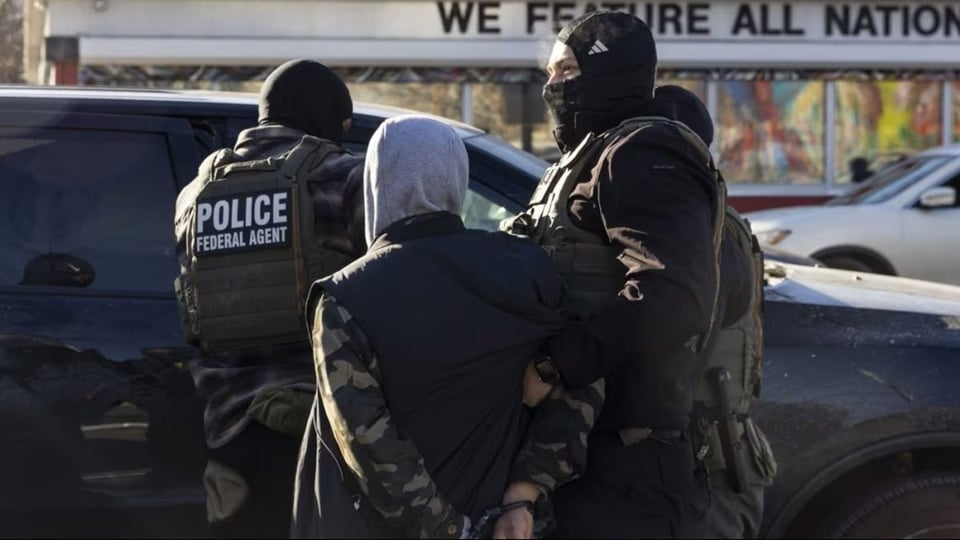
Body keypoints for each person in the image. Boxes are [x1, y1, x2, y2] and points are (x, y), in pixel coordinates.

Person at [292, 115, 605, 539]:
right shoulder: (529, 269)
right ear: (457, 178)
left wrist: (449, 529)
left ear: (376, 185)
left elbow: (368, 445)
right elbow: (579, 380)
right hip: (514, 526)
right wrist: (524, 494)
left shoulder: (345, 297)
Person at [501, 11, 724, 538]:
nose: (553, 85)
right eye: (551, 72)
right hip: (581, 457)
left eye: (568, 70)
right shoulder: (591, 155)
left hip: (629, 468)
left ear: (609, 71)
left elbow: (671, 294)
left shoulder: (641, 150)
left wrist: (556, 365)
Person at [175, 59, 365, 538]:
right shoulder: (344, 175)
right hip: (319, 431)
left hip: (226, 432)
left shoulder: (194, 194)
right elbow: (386, 284)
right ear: (324, 117)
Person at [652, 85, 778, 539]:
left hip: (709, 471)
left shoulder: (706, 232)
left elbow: (677, 340)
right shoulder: (708, 220)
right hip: (704, 463)